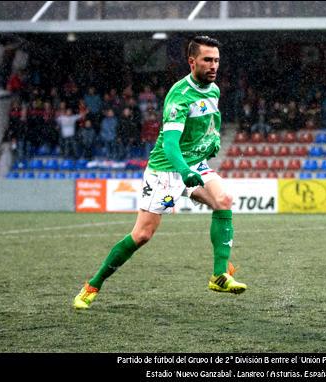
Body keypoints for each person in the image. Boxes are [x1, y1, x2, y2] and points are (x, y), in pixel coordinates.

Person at [74, 36, 246, 310]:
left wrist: (212, 138)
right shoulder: (179, 96)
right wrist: (183, 171)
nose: (214, 66)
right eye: (207, 60)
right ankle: (93, 284)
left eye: (216, 60)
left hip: (194, 162)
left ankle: (219, 275)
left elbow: (211, 118)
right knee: (142, 235)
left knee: (224, 200)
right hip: (167, 168)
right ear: (192, 62)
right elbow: (169, 144)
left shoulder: (213, 89)